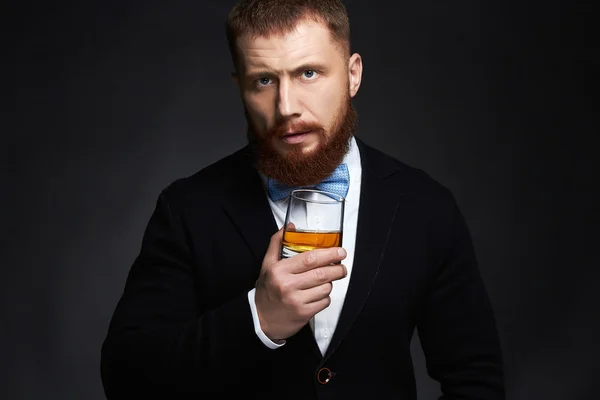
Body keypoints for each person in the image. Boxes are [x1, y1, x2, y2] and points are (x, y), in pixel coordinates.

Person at [100, 0, 505, 398]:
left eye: (308, 73)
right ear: (239, 86)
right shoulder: (187, 208)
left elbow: (475, 379)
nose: (286, 107)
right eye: (263, 80)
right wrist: (259, 318)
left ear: (352, 75)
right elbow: (126, 375)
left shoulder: (426, 206)